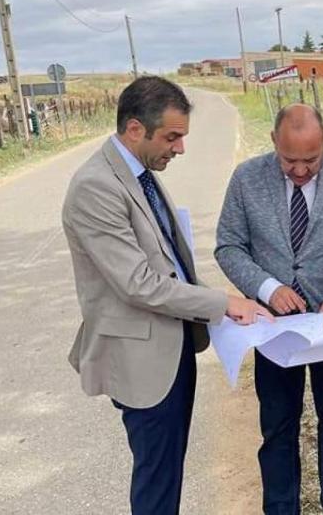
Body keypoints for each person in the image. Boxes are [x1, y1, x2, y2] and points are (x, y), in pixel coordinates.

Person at [62, 76, 272, 515]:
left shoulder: (139, 173)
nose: (180, 149)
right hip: (143, 361)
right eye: (172, 137)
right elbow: (138, 283)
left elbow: (169, 261)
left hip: (172, 346)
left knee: (166, 472)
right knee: (157, 483)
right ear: (135, 129)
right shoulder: (96, 186)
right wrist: (222, 303)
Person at [214, 103, 323, 515]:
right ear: (274, 142)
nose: (301, 170)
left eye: (312, 159)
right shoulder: (246, 180)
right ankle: (280, 507)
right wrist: (268, 289)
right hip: (273, 331)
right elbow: (229, 246)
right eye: (290, 160)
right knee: (278, 426)